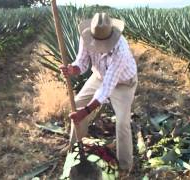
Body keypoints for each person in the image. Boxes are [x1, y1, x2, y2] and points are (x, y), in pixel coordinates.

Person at [60, 12, 138, 177]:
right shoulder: (87, 37)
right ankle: (75, 148)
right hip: (99, 75)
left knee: (122, 122)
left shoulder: (121, 50)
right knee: (78, 103)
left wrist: (86, 111)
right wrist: (72, 69)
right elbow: (81, 62)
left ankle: (125, 165)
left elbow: (107, 88)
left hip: (123, 83)